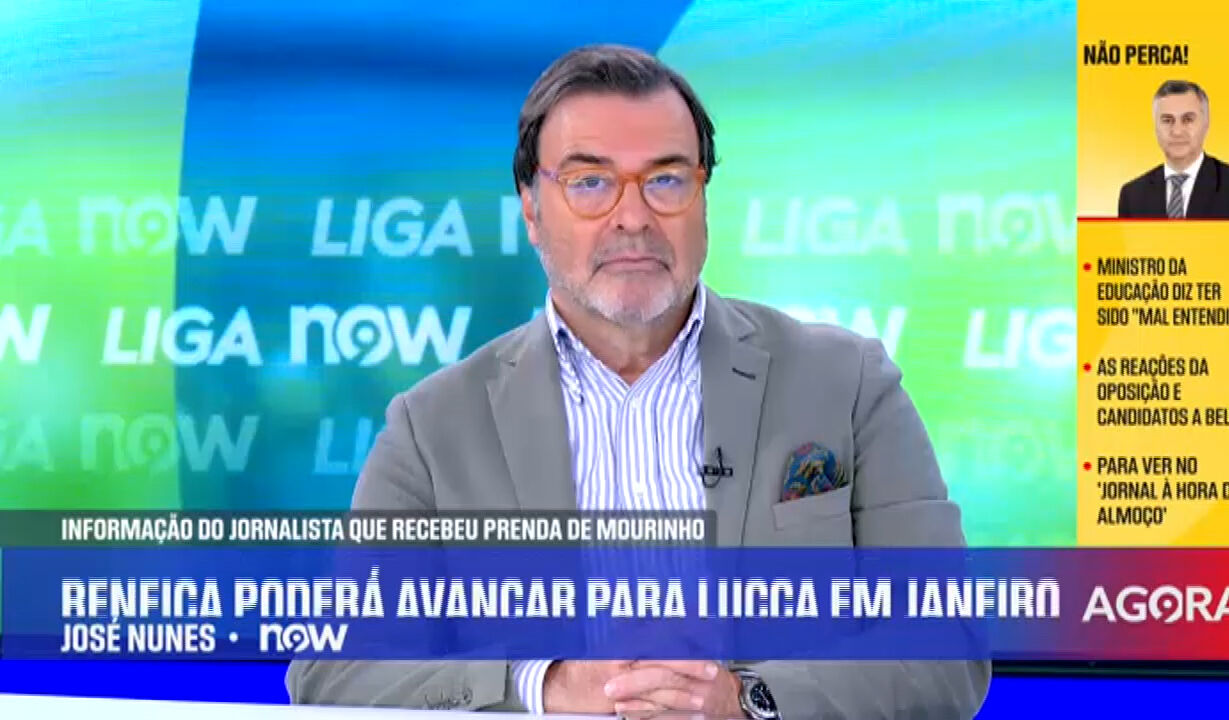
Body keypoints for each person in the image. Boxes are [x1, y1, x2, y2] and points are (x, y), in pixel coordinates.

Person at [287, 44, 990, 718]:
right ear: (531, 209)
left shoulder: (849, 384)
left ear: (703, 198)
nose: (632, 217)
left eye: (666, 180)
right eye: (590, 182)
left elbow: (948, 647)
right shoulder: (433, 428)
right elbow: (335, 672)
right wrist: (546, 686)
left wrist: (745, 701)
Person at [1118, 80, 1229, 219]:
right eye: (1167, 120)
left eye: (1188, 119)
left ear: (1206, 123)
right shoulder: (1132, 196)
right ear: (1155, 127)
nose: (1177, 131)